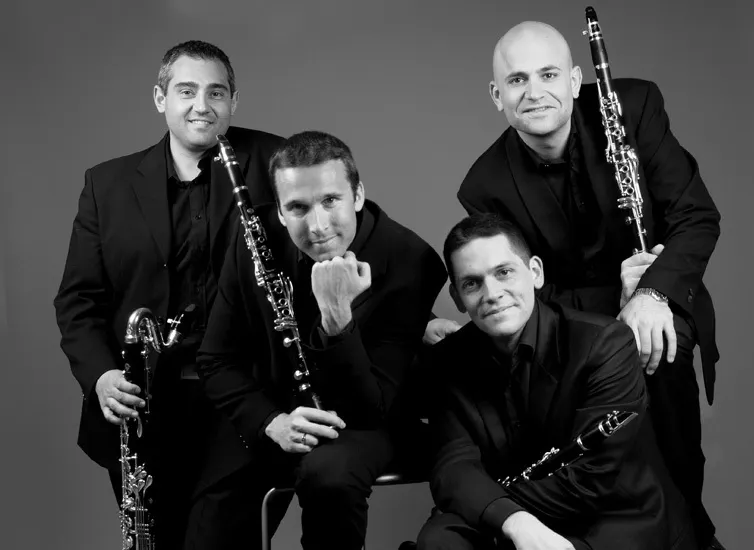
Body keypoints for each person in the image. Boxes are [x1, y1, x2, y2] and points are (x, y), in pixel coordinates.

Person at [427, 21, 722, 549]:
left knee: (662, 351)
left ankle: (687, 532)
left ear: (574, 79)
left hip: (657, 295)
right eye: (517, 80)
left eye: (548, 75)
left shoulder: (633, 107)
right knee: (570, 417)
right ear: (497, 95)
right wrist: (614, 299)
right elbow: (527, 291)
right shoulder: (484, 184)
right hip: (571, 326)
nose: (534, 92)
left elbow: (695, 216)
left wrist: (651, 292)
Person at [53, 40, 284, 548]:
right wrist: (101, 376)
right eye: (186, 91)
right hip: (146, 406)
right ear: (160, 98)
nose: (203, 105)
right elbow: (77, 301)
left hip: (243, 401)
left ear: (234, 101)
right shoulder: (107, 185)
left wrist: (411, 316)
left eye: (216, 93)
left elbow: (338, 229)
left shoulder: (275, 161)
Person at [185, 130, 447, 550]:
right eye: (298, 208)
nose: (318, 226)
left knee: (330, 476)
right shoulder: (253, 235)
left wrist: (336, 316)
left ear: (358, 195)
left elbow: (372, 406)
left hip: (362, 421)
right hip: (272, 409)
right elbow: (216, 360)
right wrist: (271, 422)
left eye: (330, 201)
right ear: (280, 211)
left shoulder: (411, 261)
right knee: (207, 526)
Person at [417, 213, 697, 550]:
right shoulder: (447, 361)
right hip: (512, 513)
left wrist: (494, 508)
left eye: (504, 272)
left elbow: (593, 478)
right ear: (457, 297)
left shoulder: (604, 343)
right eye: (472, 283)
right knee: (438, 540)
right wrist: (513, 521)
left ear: (535, 272)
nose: (491, 294)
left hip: (609, 518)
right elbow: (453, 466)